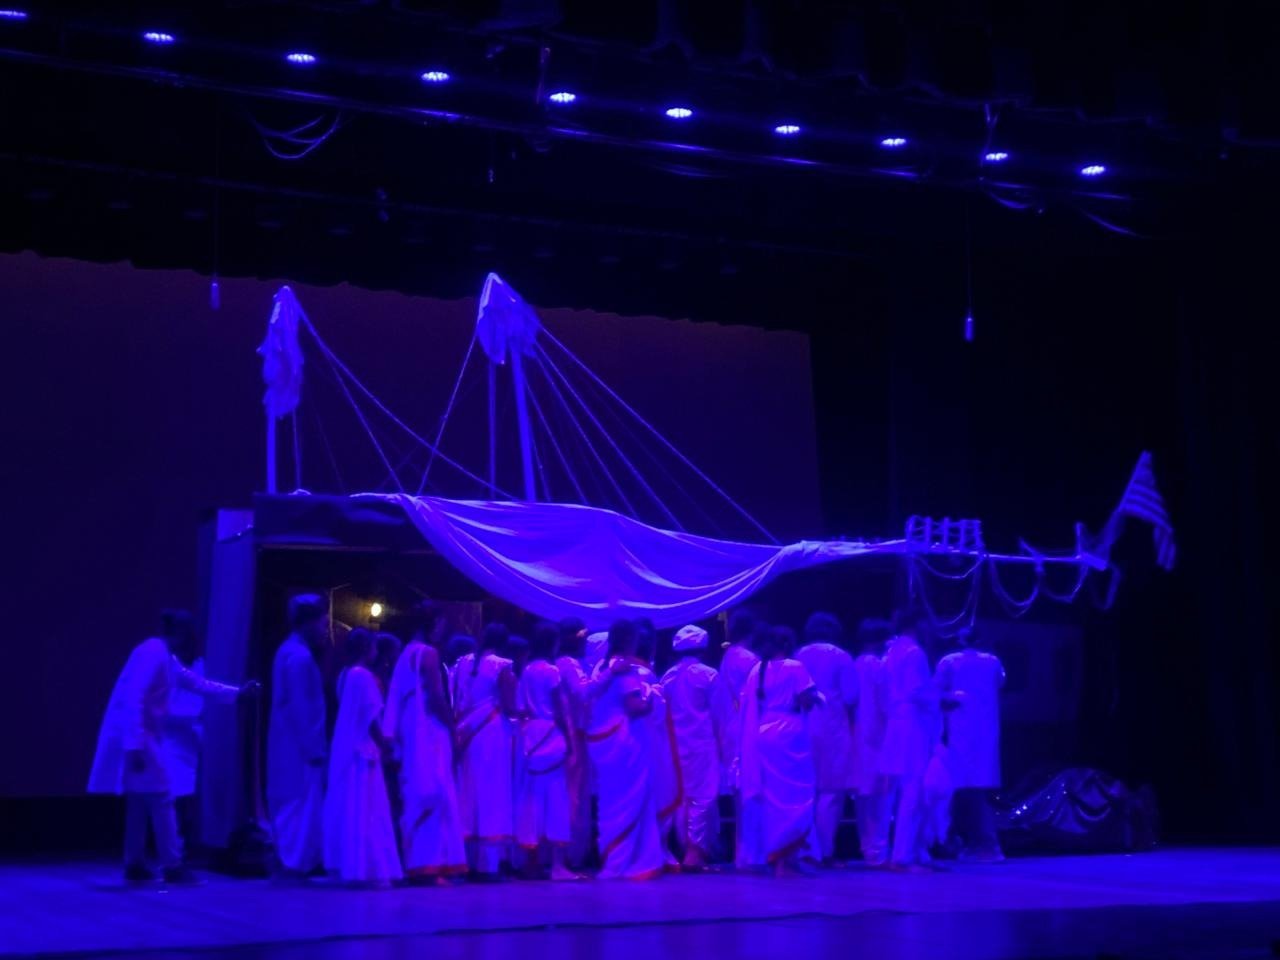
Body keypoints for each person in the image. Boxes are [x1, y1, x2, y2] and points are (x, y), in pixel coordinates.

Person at [88, 610, 254, 885]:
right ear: (179, 633)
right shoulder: (153, 653)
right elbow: (135, 698)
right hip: (139, 735)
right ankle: (172, 865)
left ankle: (135, 863)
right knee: (162, 794)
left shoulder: (163, 656)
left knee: (140, 800)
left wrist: (236, 693)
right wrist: (134, 745)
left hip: (142, 734)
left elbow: (196, 683)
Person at [382, 614, 467, 883]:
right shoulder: (428, 653)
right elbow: (436, 696)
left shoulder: (405, 653)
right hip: (427, 728)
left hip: (410, 728)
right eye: (439, 626)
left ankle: (419, 863)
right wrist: (453, 728)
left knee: (416, 790)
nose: (441, 632)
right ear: (428, 625)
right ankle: (431, 864)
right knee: (435, 788)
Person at [738, 625, 823, 877]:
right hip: (789, 733)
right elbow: (806, 698)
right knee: (796, 796)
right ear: (787, 644)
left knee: (773, 799)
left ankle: (781, 858)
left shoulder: (756, 670)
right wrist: (820, 698)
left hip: (764, 733)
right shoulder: (795, 667)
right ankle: (786, 859)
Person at [586, 619, 665, 880]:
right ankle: (625, 861)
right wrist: (652, 694)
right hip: (623, 742)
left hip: (602, 742)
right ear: (631, 640)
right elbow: (636, 706)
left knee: (611, 800)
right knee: (630, 799)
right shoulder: (626, 670)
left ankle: (612, 858)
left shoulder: (601, 666)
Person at [323, 628, 402, 885]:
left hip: (345, 746)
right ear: (367, 648)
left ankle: (349, 863)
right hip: (363, 750)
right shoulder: (364, 676)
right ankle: (366, 866)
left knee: (350, 804)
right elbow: (371, 718)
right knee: (367, 807)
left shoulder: (345, 674)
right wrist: (385, 745)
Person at [267, 595, 330, 879]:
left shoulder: (288, 651)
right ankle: (295, 862)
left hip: (291, 741)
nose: (324, 628)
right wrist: (313, 746)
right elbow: (301, 707)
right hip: (299, 745)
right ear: (309, 622)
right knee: (300, 803)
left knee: (295, 801)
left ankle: (295, 860)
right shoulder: (299, 657)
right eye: (322, 622)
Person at [515, 623, 581, 880]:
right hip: (551, 734)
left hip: (531, 735)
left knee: (532, 799)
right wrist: (570, 740)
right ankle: (557, 865)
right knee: (556, 799)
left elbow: (521, 707)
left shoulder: (527, 670)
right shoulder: (552, 671)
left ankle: (531, 862)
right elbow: (560, 708)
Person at [453, 623, 519, 879]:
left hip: (466, 730)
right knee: (492, 791)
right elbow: (510, 705)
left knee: (469, 790)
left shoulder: (463, 662)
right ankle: (488, 864)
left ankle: (466, 860)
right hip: (491, 731)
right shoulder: (502, 666)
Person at [935, 628, 1006, 862]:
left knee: (959, 788)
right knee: (976, 788)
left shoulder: (949, 662)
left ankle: (983, 844)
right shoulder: (993, 662)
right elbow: (1001, 683)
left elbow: (937, 693)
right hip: (985, 733)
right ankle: (974, 843)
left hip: (959, 733)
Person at [880, 621, 945, 871]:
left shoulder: (891, 652)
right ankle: (903, 855)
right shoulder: (914, 652)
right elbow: (918, 691)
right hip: (913, 724)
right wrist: (942, 699)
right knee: (914, 790)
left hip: (895, 724)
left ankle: (911, 851)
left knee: (899, 790)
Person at [795, 612, 857, 865]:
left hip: (803, 725)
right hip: (833, 726)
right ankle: (825, 851)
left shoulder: (799, 655)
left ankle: (805, 848)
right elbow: (851, 695)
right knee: (831, 791)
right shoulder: (841, 656)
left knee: (806, 790)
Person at [660, 624, 721, 871]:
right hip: (702, 743)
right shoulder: (708, 675)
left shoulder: (668, 676)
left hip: (674, 745)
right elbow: (719, 715)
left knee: (682, 797)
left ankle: (685, 849)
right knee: (703, 797)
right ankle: (695, 853)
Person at [710, 610, 761, 867]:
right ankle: (750, 853)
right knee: (750, 788)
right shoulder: (748, 659)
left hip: (730, 725)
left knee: (740, 789)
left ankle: (744, 852)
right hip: (746, 725)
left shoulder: (728, 656)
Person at [636, 618, 681, 870]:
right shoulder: (642, 674)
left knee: (656, 789)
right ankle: (651, 849)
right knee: (654, 789)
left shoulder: (648, 673)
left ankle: (656, 848)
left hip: (651, 739)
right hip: (647, 740)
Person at [850, 619, 893, 866]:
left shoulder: (855, 662)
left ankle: (867, 848)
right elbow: (886, 703)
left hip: (859, 731)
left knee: (863, 794)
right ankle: (879, 849)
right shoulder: (879, 665)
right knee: (881, 794)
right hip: (879, 733)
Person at [554, 617, 594, 870]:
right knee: (573, 796)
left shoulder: (561, 662)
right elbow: (583, 692)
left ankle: (569, 855)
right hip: (573, 736)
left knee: (572, 795)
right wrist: (606, 673)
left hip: (569, 734)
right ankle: (568, 856)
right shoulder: (569, 664)